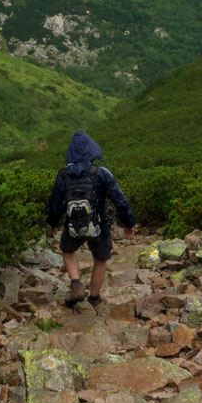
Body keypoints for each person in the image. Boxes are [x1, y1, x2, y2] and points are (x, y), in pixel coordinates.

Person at [46, 130, 136, 307]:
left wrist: (53, 223)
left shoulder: (63, 174)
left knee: (67, 250)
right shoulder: (101, 173)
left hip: (72, 226)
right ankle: (94, 298)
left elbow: (55, 203)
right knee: (100, 259)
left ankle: (76, 283)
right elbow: (120, 201)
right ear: (92, 150)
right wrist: (129, 223)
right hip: (99, 226)